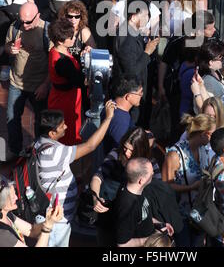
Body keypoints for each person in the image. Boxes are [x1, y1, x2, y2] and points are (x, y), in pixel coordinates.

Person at [35, 103, 115, 247]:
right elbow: (90, 145)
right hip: (56, 220)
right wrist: (108, 118)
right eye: (62, 126)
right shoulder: (55, 152)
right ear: (52, 133)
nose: (66, 127)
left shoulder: (38, 144)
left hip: (48, 214)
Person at [91, 127, 161, 246]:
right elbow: (97, 177)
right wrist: (95, 198)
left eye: (131, 150)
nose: (126, 153)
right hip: (109, 216)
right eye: (125, 148)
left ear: (141, 149)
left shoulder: (150, 164)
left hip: (137, 220)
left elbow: (158, 190)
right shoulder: (116, 154)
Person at [162, 113, 216, 247]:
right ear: (204, 134)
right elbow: (166, 186)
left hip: (199, 214)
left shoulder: (203, 150)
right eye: (212, 134)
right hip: (181, 216)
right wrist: (191, 187)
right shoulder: (175, 154)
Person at [5, 2, 49, 158]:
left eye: (28, 21)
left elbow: (55, 60)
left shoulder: (46, 31)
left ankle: (39, 154)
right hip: (16, 82)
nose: (24, 24)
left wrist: (45, 85)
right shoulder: (16, 26)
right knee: (12, 117)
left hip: (38, 85)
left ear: (38, 16)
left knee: (40, 121)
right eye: (21, 20)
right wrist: (9, 49)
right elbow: (6, 46)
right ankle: (15, 152)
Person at [112, 157, 174, 247]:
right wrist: (150, 240)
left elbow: (142, 215)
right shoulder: (127, 205)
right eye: (151, 174)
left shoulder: (138, 189)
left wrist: (160, 224)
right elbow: (122, 244)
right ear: (141, 180)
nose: (153, 173)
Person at [113, 0, 159, 102]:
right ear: (133, 18)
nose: (148, 19)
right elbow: (131, 71)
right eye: (145, 15)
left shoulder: (131, 33)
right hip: (129, 96)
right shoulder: (127, 39)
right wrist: (147, 52)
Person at [47, 17, 85, 145]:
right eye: (70, 38)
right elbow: (80, 81)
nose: (74, 39)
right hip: (66, 102)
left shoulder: (55, 51)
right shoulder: (62, 63)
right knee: (67, 135)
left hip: (59, 97)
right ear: (60, 41)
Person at [0, 175, 63, 247]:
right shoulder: (2, 234)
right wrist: (47, 227)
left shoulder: (6, 215)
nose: (17, 198)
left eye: (15, 193)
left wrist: (49, 220)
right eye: (12, 197)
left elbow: (32, 231)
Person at [100, 78, 143, 157]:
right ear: (128, 96)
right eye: (140, 93)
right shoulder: (120, 121)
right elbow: (119, 151)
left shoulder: (112, 106)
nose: (142, 95)